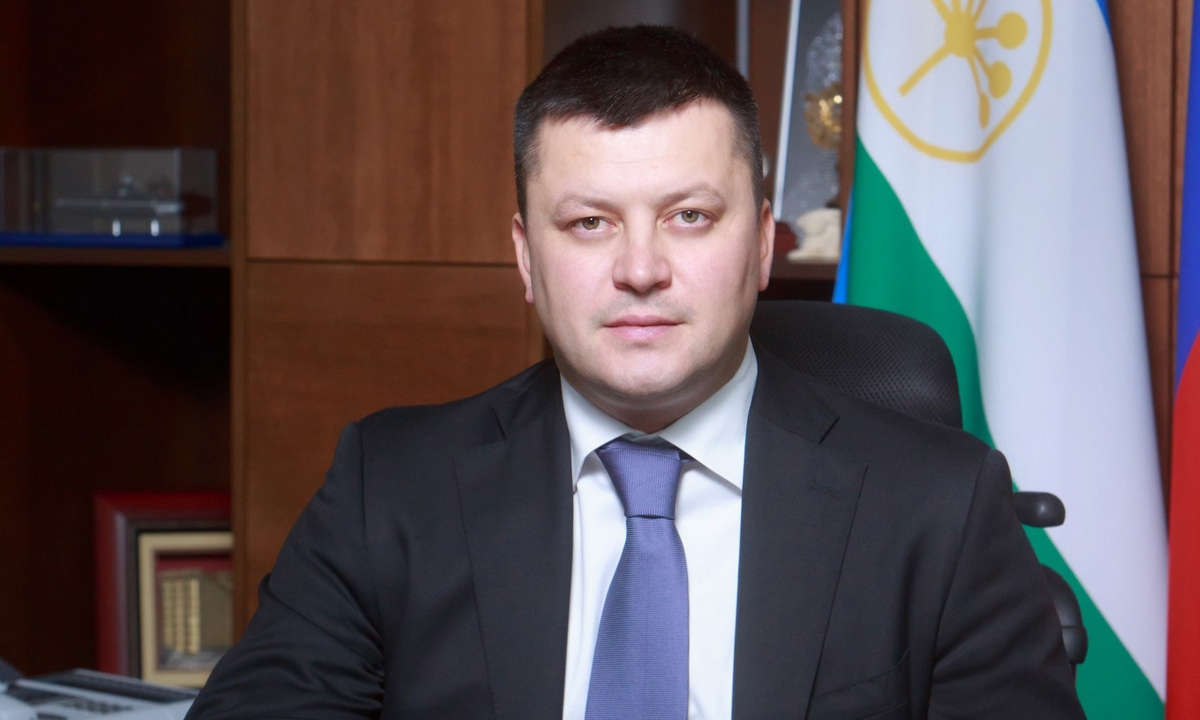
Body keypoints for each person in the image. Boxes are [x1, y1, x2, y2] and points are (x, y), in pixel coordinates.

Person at [187, 25, 1085, 720]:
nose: (642, 269)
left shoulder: (940, 505)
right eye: (590, 223)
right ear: (526, 256)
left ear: (763, 243)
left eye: (690, 216)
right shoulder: (390, 486)